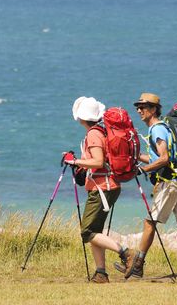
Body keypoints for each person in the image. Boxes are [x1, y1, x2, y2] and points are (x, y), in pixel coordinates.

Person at [120, 92, 177, 280]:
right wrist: (136, 158)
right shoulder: (161, 129)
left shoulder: (157, 130)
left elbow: (164, 158)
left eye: (143, 107)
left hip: (169, 183)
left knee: (150, 222)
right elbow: (158, 157)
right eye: (138, 107)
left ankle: (138, 264)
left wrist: (143, 170)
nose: (139, 110)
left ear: (154, 109)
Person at [65, 96, 132, 284]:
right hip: (107, 186)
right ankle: (101, 273)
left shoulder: (93, 134)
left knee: (87, 232)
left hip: (102, 188)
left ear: (81, 118)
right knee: (96, 232)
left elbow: (97, 161)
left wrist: (75, 161)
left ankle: (126, 253)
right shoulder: (102, 130)